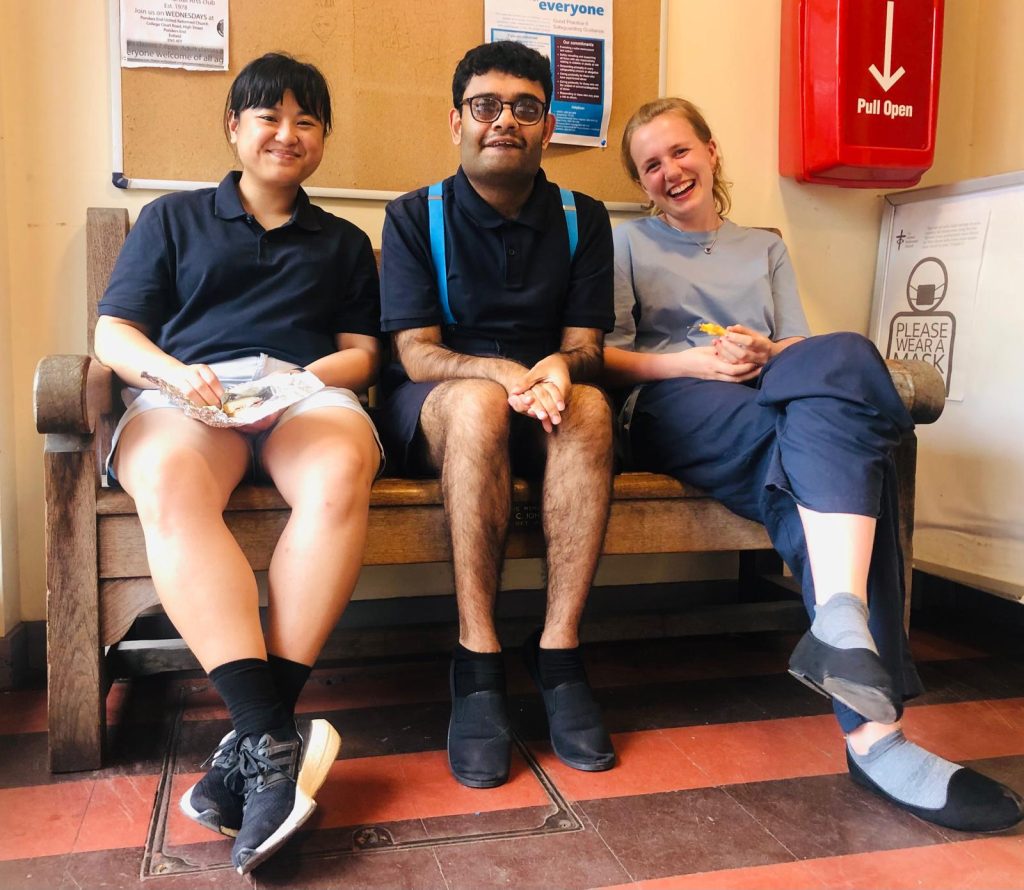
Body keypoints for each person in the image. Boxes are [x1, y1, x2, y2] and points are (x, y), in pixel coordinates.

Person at [605, 97, 1023, 832]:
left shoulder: (762, 247)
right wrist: (698, 361)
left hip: (767, 389)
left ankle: (841, 625)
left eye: (680, 151)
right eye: (651, 165)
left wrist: (763, 351)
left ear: (710, 150)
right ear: (641, 183)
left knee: (846, 358)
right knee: (851, 456)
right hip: (672, 402)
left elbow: (796, 346)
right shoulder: (626, 242)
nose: (670, 171)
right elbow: (605, 356)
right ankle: (876, 739)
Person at [93, 53, 383, 874]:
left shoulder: (342, 242)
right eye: (269, 117)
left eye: (306, 121)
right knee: (168, 478)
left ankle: (254, 746)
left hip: (299, 395)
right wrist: (173, 375)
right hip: (190, 396)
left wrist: (301, 380)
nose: (287, 134)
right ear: (234, 127)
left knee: (339, 469)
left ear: (322, 137)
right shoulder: (172, 219)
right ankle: (271, 740)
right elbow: (114, 334)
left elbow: (363, 354)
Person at [378, 40, 616, 789]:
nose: (504, 120)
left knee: (592, 407)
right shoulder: (414, 215)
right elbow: (416, 353)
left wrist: (560, 369)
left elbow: (585, 346)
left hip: (542, 399)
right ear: (458, 122)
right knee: (481, 403)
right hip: (440, 405)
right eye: (485, 106)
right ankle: (477, 659)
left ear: (548, 127)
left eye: (525, 108)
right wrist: (502, 372)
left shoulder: (583, 218)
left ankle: (559, 653)